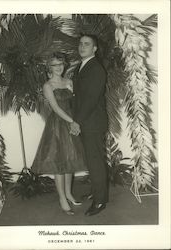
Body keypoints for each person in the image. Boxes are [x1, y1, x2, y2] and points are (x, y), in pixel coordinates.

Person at [31, 52, 87, 216]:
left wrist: (75, 121)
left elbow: (76, 103)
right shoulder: (48, 86)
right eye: (55, 65)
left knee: (70, 160)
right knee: (59, 163)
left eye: (61, 64)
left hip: (72, 123)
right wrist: (71, 122)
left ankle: (69, 194)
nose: (59, 67)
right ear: (49, 67)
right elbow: (55, 108)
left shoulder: (69, 82)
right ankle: (62, 198)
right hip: (58, 125)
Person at [71, 34, 109, 216]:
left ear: (95, 48)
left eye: (87, 44)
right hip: (88, 121)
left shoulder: (95, 68)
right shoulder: (82, 66)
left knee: (95, 163)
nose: (82, 46)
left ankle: (100, 201)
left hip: (92, 122)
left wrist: (77, 121)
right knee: (92, 161)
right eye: (80, 43)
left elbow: (91, 100)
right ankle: (97, 191)